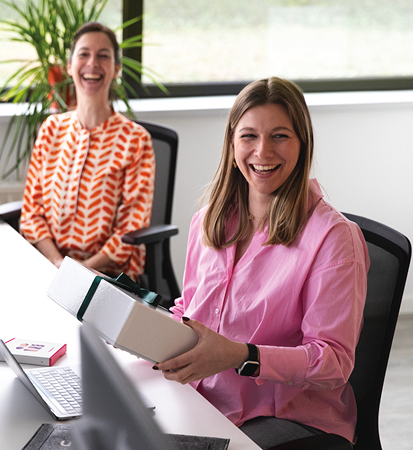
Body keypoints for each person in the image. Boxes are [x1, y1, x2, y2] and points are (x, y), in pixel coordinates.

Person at [154, 77, 369, 449]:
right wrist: (143, 338)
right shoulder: (207, 221)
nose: (263, 151)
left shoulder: (334, 238)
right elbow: (190, 310)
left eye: (280, 136)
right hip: (206, 400)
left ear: (302, 145)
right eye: (249, 136)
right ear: (232, 144)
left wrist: (241, 356)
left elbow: (333, 362)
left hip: (288, 417)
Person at [20, 22, 155, 281]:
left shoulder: (135, 140)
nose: (92, 63)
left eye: (103, 55)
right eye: (83, 54)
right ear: (70, 66)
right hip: (49, 267)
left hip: (107, 276)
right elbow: (32, 212)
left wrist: (82, 271)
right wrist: (58, 263)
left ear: (116, 69)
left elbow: (131, 227)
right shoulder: (51, 129)